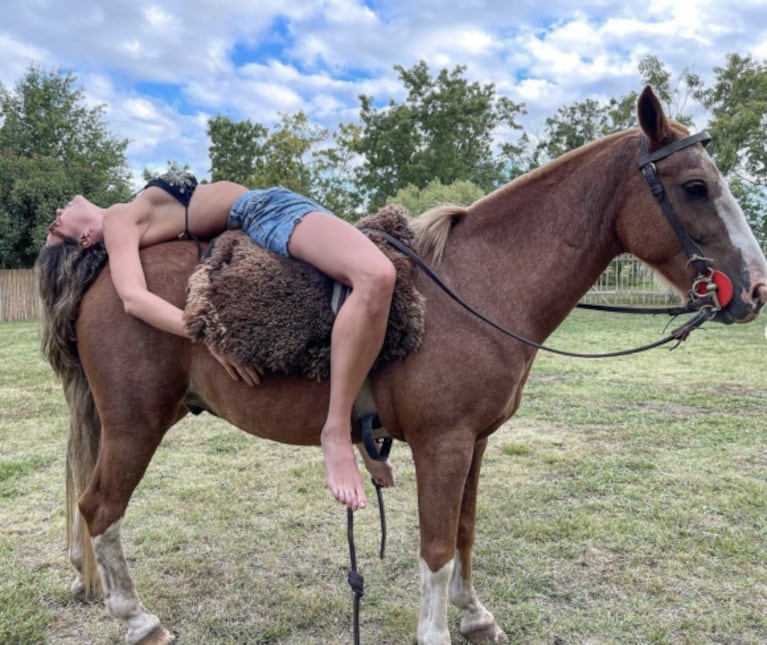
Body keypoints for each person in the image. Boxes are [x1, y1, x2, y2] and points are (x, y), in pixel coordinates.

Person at [45, 171, 397, 511]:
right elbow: (134, 299)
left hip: (262, 212)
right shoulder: (120, 218)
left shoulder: (140, 218)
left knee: (342, 290)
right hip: (263, 209)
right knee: (375, 275)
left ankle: (361, 429)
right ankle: (336, 432)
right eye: (57, 227)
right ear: (88, 237)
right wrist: (205, 332)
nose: (58, 213)